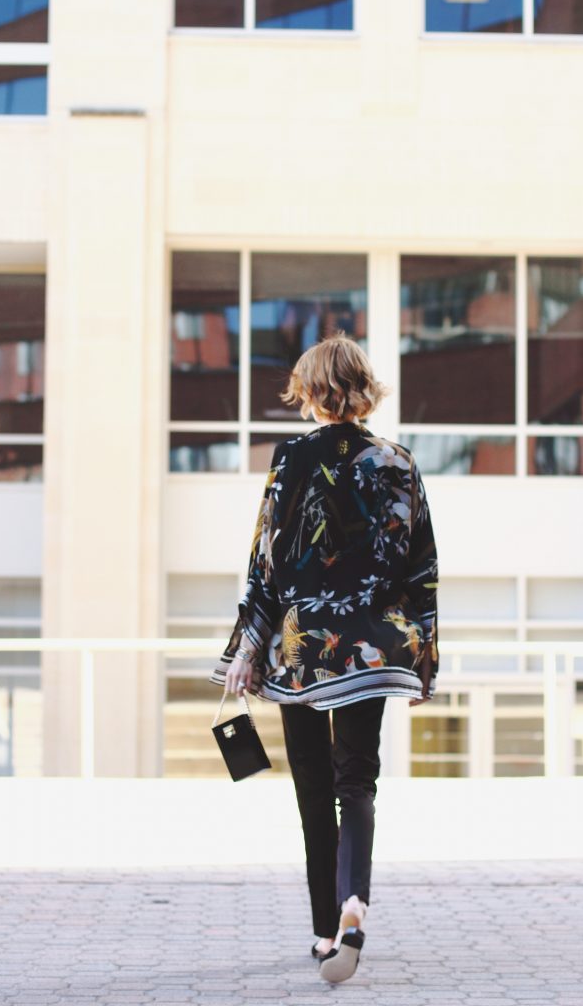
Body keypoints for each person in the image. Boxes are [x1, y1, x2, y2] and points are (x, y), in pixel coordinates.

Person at [209, 332, 439, 984]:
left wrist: (244, 647)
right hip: (371, 650)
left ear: (309, 390)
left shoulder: (291, 459)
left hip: (301, 649)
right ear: (364, 389)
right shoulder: (397, 461)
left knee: (313, 789)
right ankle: (353, 903)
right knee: (356, 783)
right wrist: (424, 659)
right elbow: (422, 569)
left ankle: (321, 932)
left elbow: (268, 562)